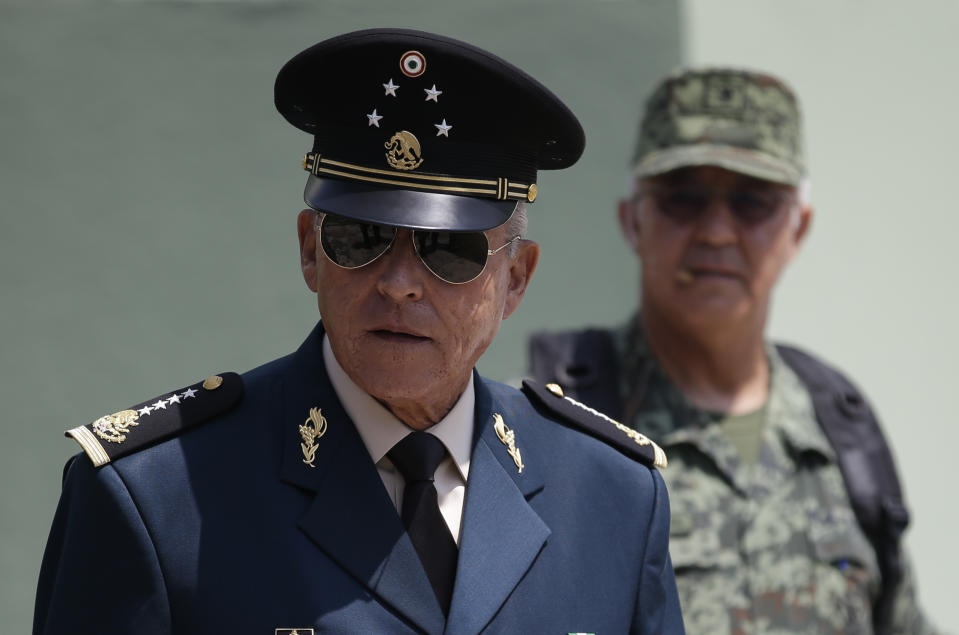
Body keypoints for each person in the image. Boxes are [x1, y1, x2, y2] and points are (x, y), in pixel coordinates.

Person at [34, 29, 683, 634]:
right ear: (309, 250)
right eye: (359, 237)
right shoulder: (154, 497)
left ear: (515, 277)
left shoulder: (613, 497)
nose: (398, 281)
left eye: (447, 249)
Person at [530, 67, 935, 634]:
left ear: (799, 228)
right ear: (632, 220)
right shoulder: (558, 430)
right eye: (683, 199)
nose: (717, 232)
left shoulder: (842, 430)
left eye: (753, 203)